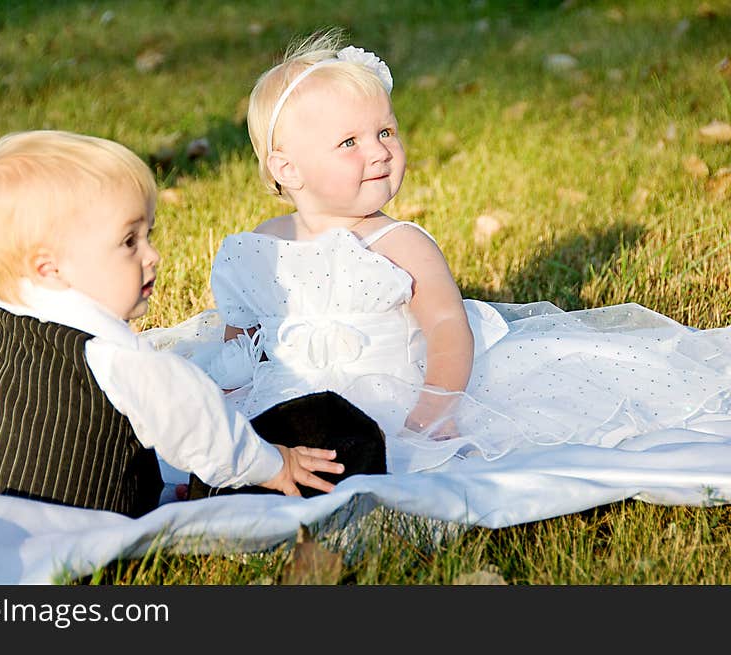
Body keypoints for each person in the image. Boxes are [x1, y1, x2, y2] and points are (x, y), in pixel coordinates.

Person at [144, 31, 731, 474]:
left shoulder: (399, 244)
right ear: (286, 167)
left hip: (394, 393)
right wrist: (231, 393)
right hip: (291, 399)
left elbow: (449, 330)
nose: (377, 152)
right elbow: (241, 340)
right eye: (349, 142)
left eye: (386, 132)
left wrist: (437, 410)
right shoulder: (258, 249)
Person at [0, 129, 346, 524]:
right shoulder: (116, 358)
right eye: (129, 242)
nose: (152, 255)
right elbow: (202, 425)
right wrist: (272, 462)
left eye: (147, 235)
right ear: (50, 267)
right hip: (70, 518)